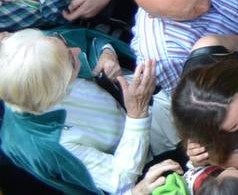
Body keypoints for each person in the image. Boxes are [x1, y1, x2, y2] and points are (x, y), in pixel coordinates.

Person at [0, 29, 172, 193]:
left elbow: (87, 40)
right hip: (152, 158)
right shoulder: (49, 142)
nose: (75, 51)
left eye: (64, 43)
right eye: (70, 59)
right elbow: (119, 177)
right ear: (55, 88)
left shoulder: (38, 55)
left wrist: (106, 54)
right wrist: (137, 115)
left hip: (153, 109)